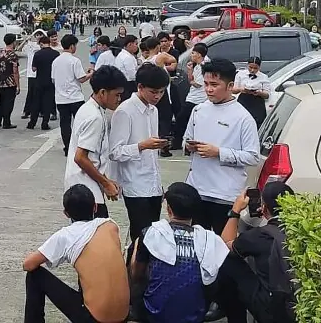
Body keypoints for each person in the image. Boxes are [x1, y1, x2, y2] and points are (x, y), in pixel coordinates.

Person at [22, 184, 130, 323]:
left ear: (66, 213)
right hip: (123, 317)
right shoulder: (110, 226)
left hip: (94, 319)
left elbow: (28, 264)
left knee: (35, 275)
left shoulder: (66, 235)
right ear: (95, 207)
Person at [129, 182, 229, 323]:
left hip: (154, 314)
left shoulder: (151, 233)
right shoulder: (210, 239)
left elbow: (136, 274)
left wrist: (138, 247)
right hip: (196, 314)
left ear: (169, 209)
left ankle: (137, 314)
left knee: (137, 264)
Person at [184, 58, 260, 234]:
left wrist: (218, 152)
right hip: (197, 190)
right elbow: (186, 139)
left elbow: (253, 156)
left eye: (214, 84)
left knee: (222, 247)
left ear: (230, 85)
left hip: (225, 194)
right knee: (197, 244)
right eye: (206, 84)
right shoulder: (198, 110)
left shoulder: (243, 117)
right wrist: (189, 147)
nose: (209, 89)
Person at [216, 183, 297, 323]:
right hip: (298, 306)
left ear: (264, 208)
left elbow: (225, 245)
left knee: (227, 261)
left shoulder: (259, 236)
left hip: (272, 311)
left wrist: (235, 210)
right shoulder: (307, 231)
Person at [109, 63, 170, 242]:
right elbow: (114, 152)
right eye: (153, 92)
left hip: (153, 185)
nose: (158, 96)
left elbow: (151, 153)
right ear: (140, 87)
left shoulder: (154, 110)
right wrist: (142, 146)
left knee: (152, 237)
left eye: (161, 92)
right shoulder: (125, 112)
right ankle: (133, 269)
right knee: (140, 239)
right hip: (135, 186)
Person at [65, 65, 127, 218]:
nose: (119, 99)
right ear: (102, 92)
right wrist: (105, 184)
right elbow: (80, 157)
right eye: (117, 95)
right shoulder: (95, 118)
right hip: (86, 193)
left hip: (85, 188)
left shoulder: (89, 108)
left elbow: (94, 158)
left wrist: (106, 180)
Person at [53, 34, 94, 156]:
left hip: (61, 98)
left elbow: (53, 79)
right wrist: (91, 73)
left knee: (65, 124)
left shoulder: (56, 61)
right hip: (75, 97)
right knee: (81, 124)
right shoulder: (74, 60)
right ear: (71, 46)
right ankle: (82, 147)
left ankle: (67, 148)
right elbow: (81, 79)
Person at [144, 37, 178, 156]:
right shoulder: (160, 57)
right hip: (161, 92)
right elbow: (173, 60)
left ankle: (155, 142)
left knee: (154, 118)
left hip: (150, 93)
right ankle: (163, 145)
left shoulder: (146, 61)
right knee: (165, 118)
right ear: (157, 46)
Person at [174, 43, 209, 151]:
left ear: (199, 54)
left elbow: (198, 84)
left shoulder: (205, 66)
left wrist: (193, 81)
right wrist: (190, 71)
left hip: (198, 98)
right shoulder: (197, 65)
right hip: (193, 96)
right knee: (185, 119)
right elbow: (191, 80)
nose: (191, 55)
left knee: (182, 118)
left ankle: (180, 142)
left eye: (193, 53)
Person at [27, 36, 59, 131]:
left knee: (36, 102)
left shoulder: (38, 54)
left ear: (41, 44)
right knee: (48, 103)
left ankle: (32, 123)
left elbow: (34, 68)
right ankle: (45, 123)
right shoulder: (56, 54)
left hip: (39, 81)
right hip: (50, 81)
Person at [233, 57, 271, 129]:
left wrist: (259, 93)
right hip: (244, 100)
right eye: (250, 67)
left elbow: (267, 95)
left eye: (255, 68)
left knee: (257, 124)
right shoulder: (240, 74)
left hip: (257, 102)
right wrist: (241, 89)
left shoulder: (264, 77)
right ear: (247, 65)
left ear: (259, 67)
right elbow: (233, 90)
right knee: (241, 122)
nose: (252, 70)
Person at [0, 33, 19, 129]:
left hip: (1, 81)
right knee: (9, 102)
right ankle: (6, 122)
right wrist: (18, 85)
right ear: (13, 42)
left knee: (1, 101)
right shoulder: (13, 55)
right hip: (10, 82)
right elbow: (15, 71)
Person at [21, 30, 46, 119]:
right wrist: (26, 40)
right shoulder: (30, 45)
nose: (38, 36)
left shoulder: (44, 47)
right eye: (37, 35)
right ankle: (27, 111)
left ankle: (41, 111)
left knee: (41, 93)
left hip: (42, 73)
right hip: (31, 73)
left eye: (40, 35)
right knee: (30, 93)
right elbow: (19, 49)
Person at [115, 35, 139, 101]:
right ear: (129, 44)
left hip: (123, 84)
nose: (137, 46)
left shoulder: (123, 55)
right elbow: (132, 75)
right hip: (128, 86)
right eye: (136, 44)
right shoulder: (127, 57)